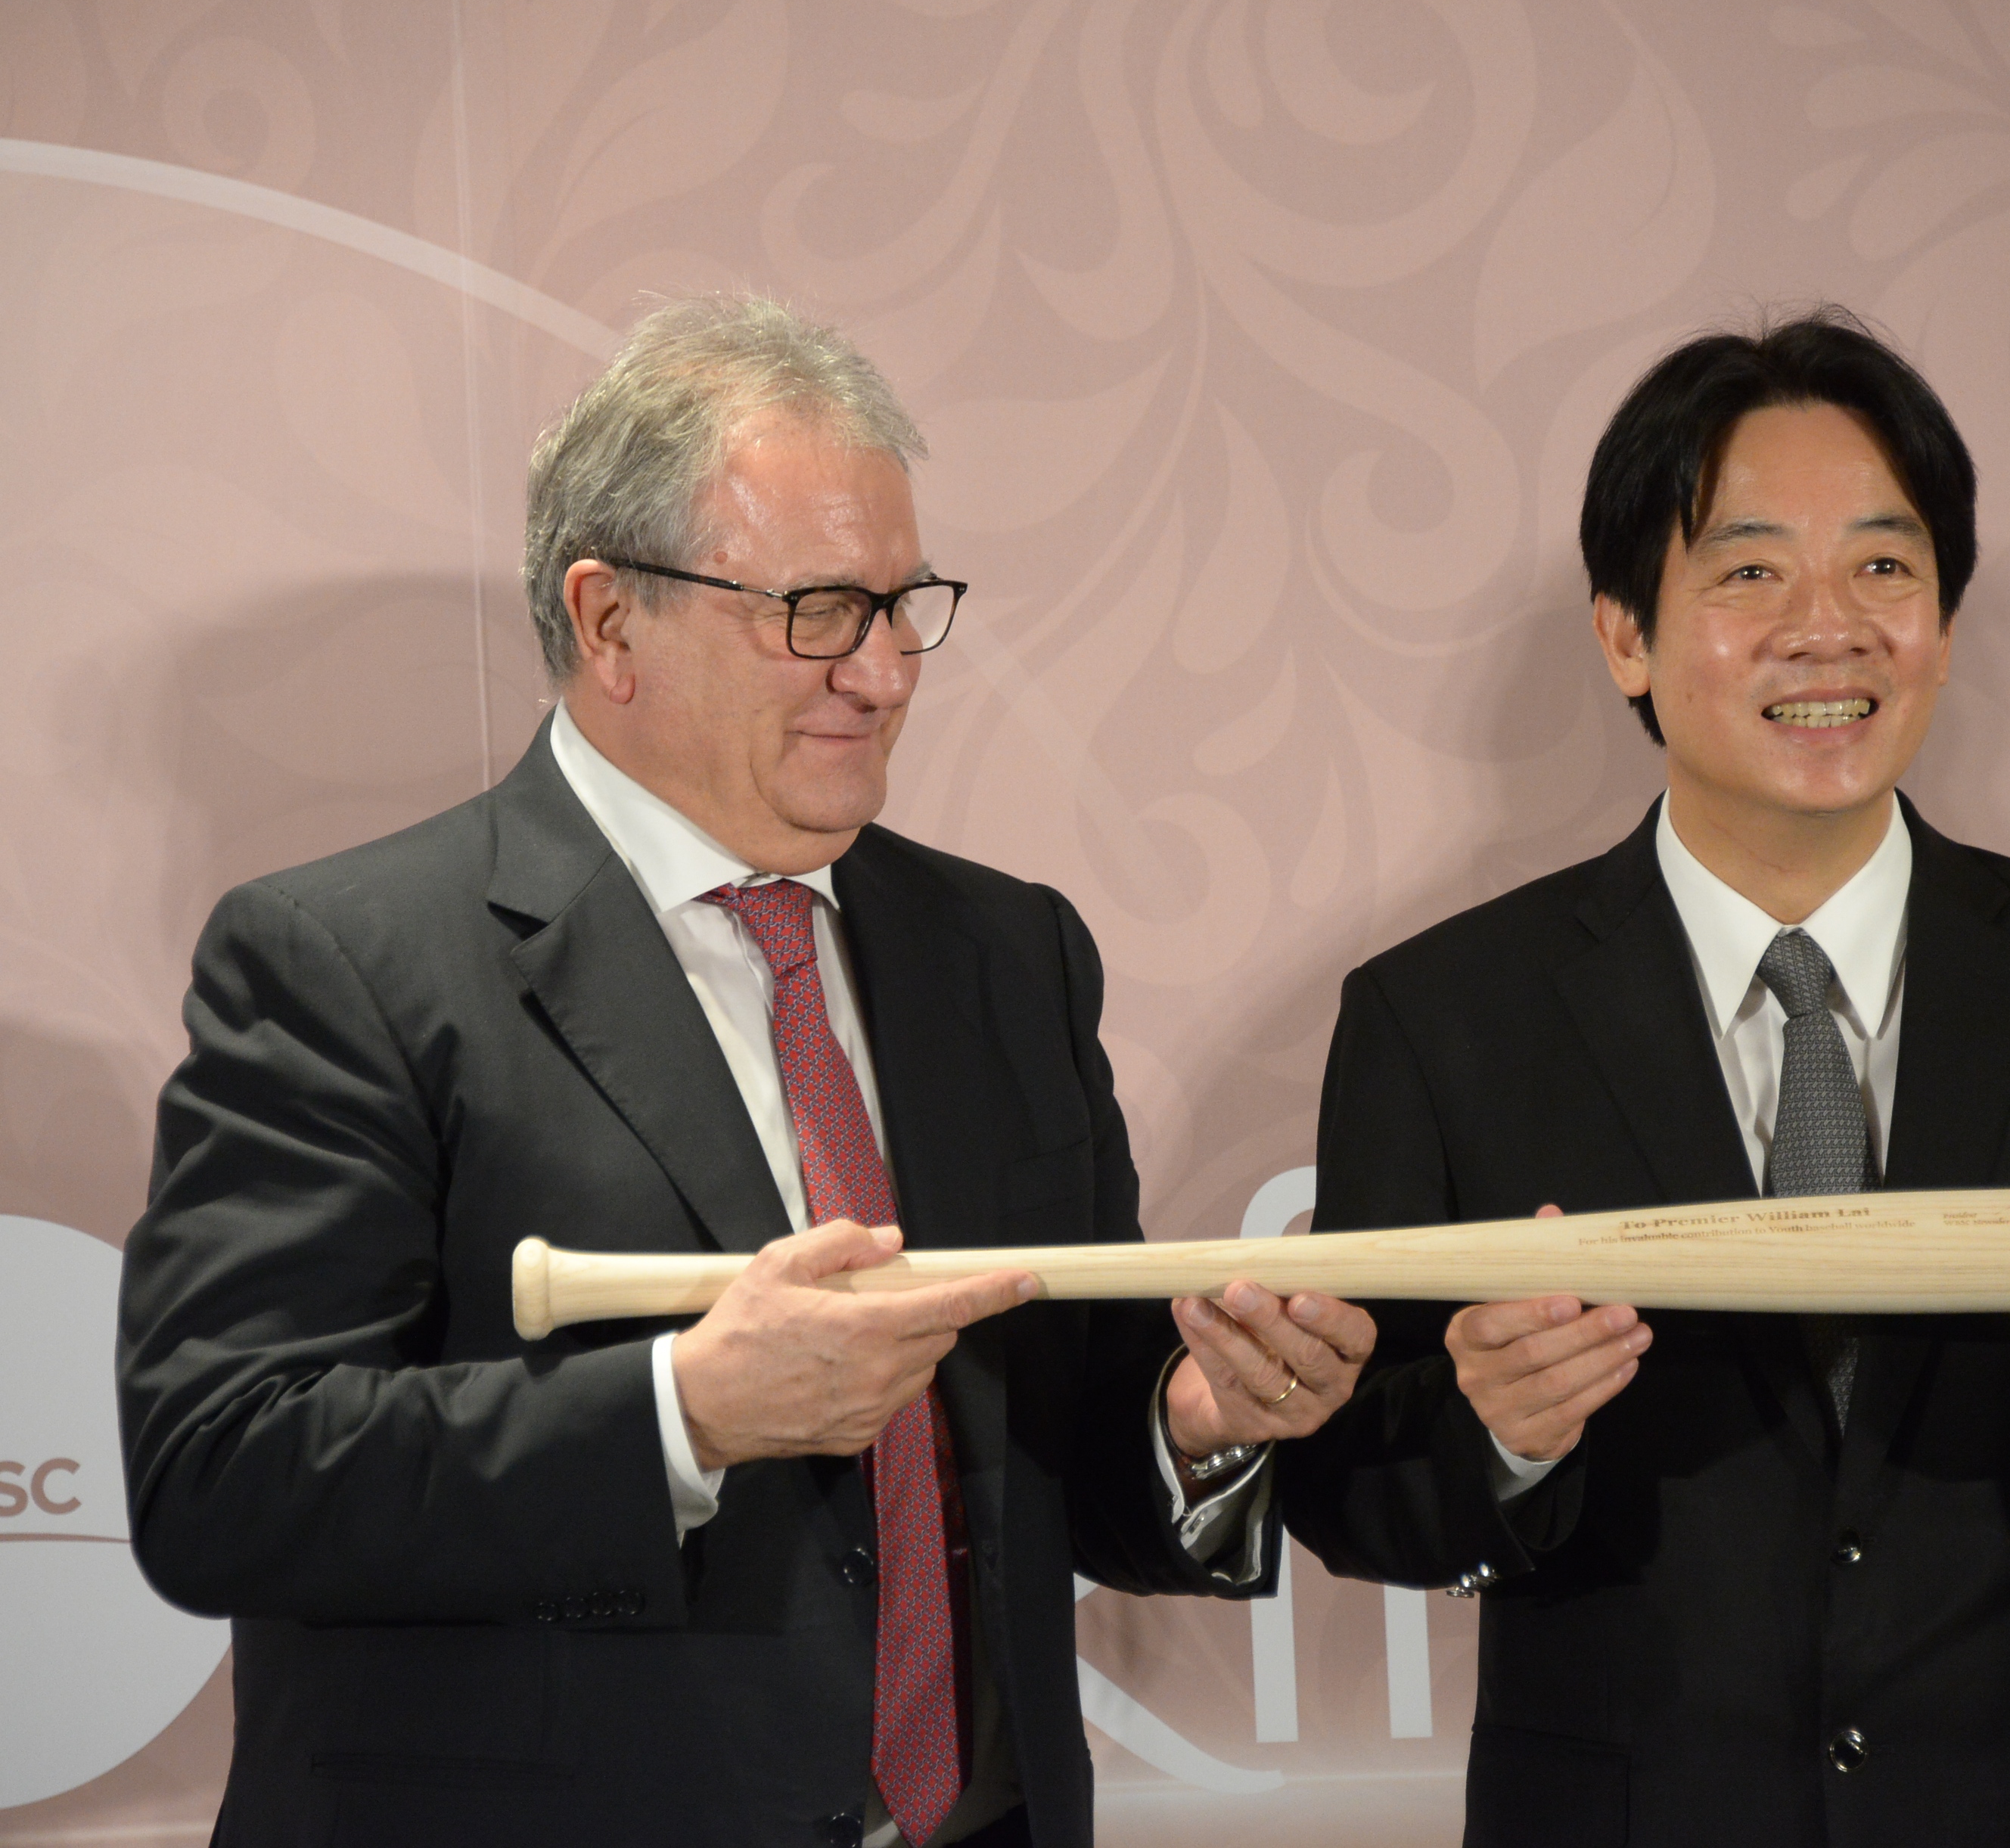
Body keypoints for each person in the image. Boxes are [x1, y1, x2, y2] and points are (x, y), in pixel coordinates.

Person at [117, 295, 1375, 1848]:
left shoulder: (1008, 952)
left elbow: (1045, 1448)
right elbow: (222, 1472)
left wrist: (1196, 1417)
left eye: (904, 604)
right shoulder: (346, 961)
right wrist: (683, 1413)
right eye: (819, 610)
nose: (886, 671)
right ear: (609, 622)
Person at [1279, 308, 2010, 1847]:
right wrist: (1498, 1431)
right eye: (1749, 573)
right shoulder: (1442, 1017)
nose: (1828, 627)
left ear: (1946, 625)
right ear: (1625, 635)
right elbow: (1348, 1488)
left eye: (1884, 567)